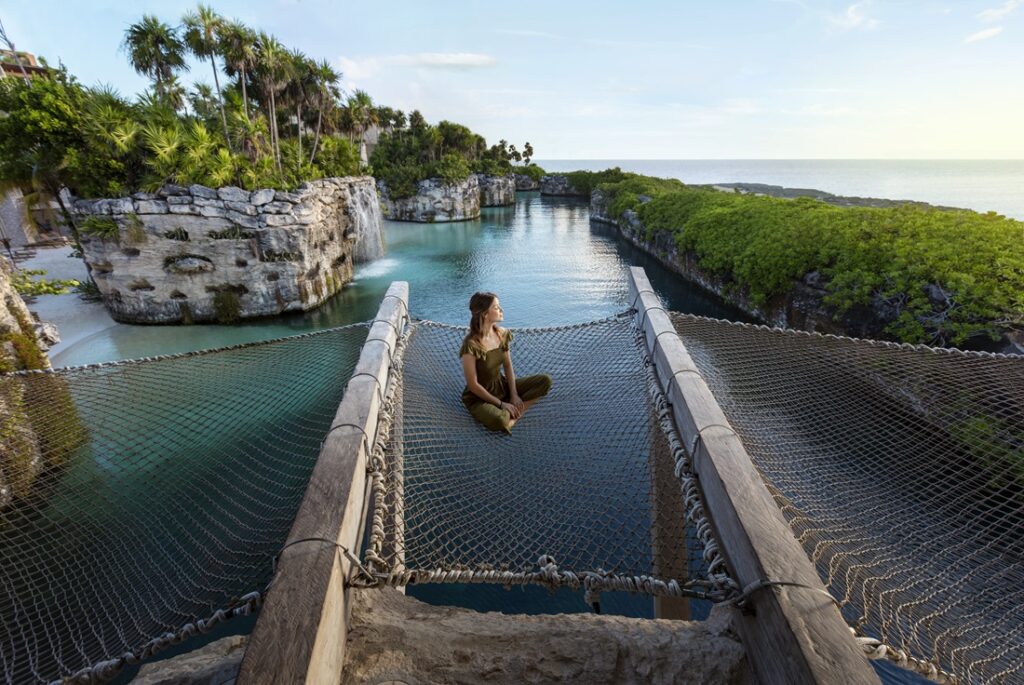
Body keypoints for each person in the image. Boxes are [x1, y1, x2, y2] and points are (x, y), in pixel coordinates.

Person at [460, 292, 552, 434]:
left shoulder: (502, 334)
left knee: (545, 381)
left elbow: (508, 366)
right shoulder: (471, 345)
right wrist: (502, 404)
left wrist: (514, 395)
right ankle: (508, 418)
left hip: (502, 387)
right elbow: (473, 385)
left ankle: (514, 414)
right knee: (499, 420)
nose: (501, 310)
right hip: (480, 397)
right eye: (496, 307)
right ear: (485, 314)